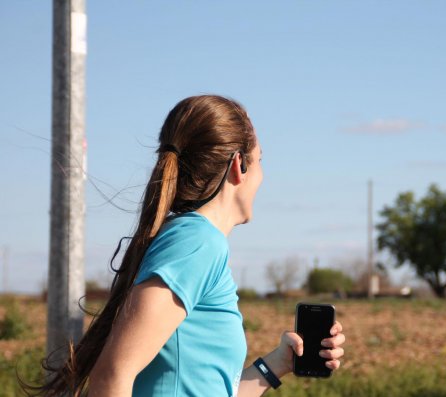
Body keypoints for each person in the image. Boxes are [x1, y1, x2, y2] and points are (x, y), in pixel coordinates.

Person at [20, 95, 345, 397]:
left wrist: (278, 363)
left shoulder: (194, 241)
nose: (262, 176)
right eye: (260, 161)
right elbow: (113, 375)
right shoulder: (197, 243)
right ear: (238, 167)